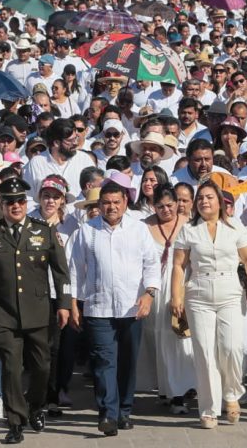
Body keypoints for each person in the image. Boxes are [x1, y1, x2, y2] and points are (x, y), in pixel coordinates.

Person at [0, 177, 71, 444]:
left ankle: (35, 406)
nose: (16, 206)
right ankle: (15, 422)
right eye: (10, 202)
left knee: (41, 367)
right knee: (11, 368)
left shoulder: (44, 231)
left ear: (27, 203)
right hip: (3, 312)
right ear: (2, 205)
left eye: (20, 201)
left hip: (38, 310)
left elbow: (61, 273)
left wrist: (63, 304)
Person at [69, 181, 161, 436]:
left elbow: (152, 264)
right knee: (103, 361)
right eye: (106, 202)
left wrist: (149, 294)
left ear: (125, 203)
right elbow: (75, 270)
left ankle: (124, 410)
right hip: (98, 308)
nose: (111, 207)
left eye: (116, 202)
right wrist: (73, 304)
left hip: (132, 307)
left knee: (127, 362)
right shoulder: (86, 232)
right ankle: (108, 413)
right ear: (99, 204)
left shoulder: (139, 230)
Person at [171, 181, 247, 428]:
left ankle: (232, 394)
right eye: (200, 198)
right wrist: (176, 296)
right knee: (205, 351)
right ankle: (209, 408)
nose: (204, 202)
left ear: (220, 201)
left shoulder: (234, 227)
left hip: (230, 292)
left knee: (232, 347)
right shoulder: (189, 230)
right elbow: (179, 265)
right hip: (198, 293)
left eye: (209, 197)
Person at [141, 184, 195, 414]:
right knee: (159, 339)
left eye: (170, 205)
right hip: (154, 287)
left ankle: (180, 392)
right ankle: (165, 388)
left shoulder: (189, 225)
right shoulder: (144, 226)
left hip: (181, 284)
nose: (166, 210)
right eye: (160, 206)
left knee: (180, 339)